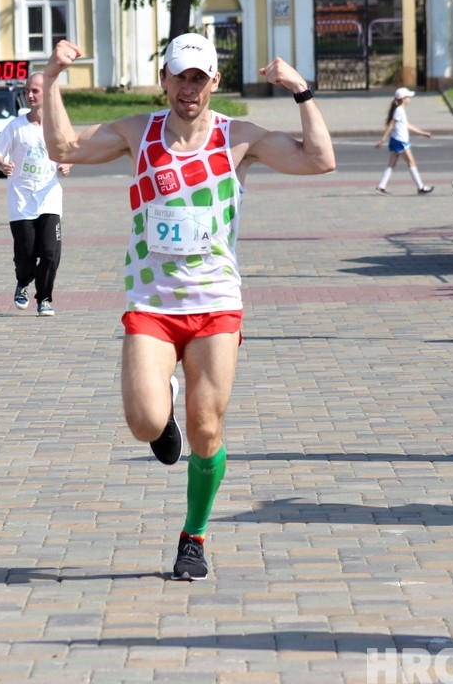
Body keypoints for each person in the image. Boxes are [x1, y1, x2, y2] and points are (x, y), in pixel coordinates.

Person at [41, 34, 335, 580]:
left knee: (206, 429)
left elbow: (320, 160)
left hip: (215, 302)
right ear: (164, 80)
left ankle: (193, 536)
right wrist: (53, 78)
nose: (189, 89)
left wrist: (300, 90)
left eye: (199, 78)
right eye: (180, 77)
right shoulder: (138, 132)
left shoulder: (237, 137)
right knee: (145, 422)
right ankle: (163, 403)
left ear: (213, 83)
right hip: (151, 301)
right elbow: (64, 149)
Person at [0, 72, 71, 316]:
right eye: (27, 91)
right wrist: (1, 164)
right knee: (25, 253)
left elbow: (70, 152)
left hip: (49, 197)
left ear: (47, 94)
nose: (30, 95)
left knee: (49, 252)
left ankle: (45, 298)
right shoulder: (16, 126)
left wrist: (68, 164)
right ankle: (23, 282)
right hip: (21, 200)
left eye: (35, 91)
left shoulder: (58, 126)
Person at [372, 86, 434, 195]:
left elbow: (407, 125)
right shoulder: (399, 110)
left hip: (397, 140)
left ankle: (381, 187)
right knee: (411, 162)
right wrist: (382, 140)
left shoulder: (400, 110)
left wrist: (422, 133)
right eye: (408, 97)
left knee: (392, 163)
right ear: (403, 99)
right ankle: (421, 187)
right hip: (400, 141)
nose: (409, 99)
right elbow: (391, 125)